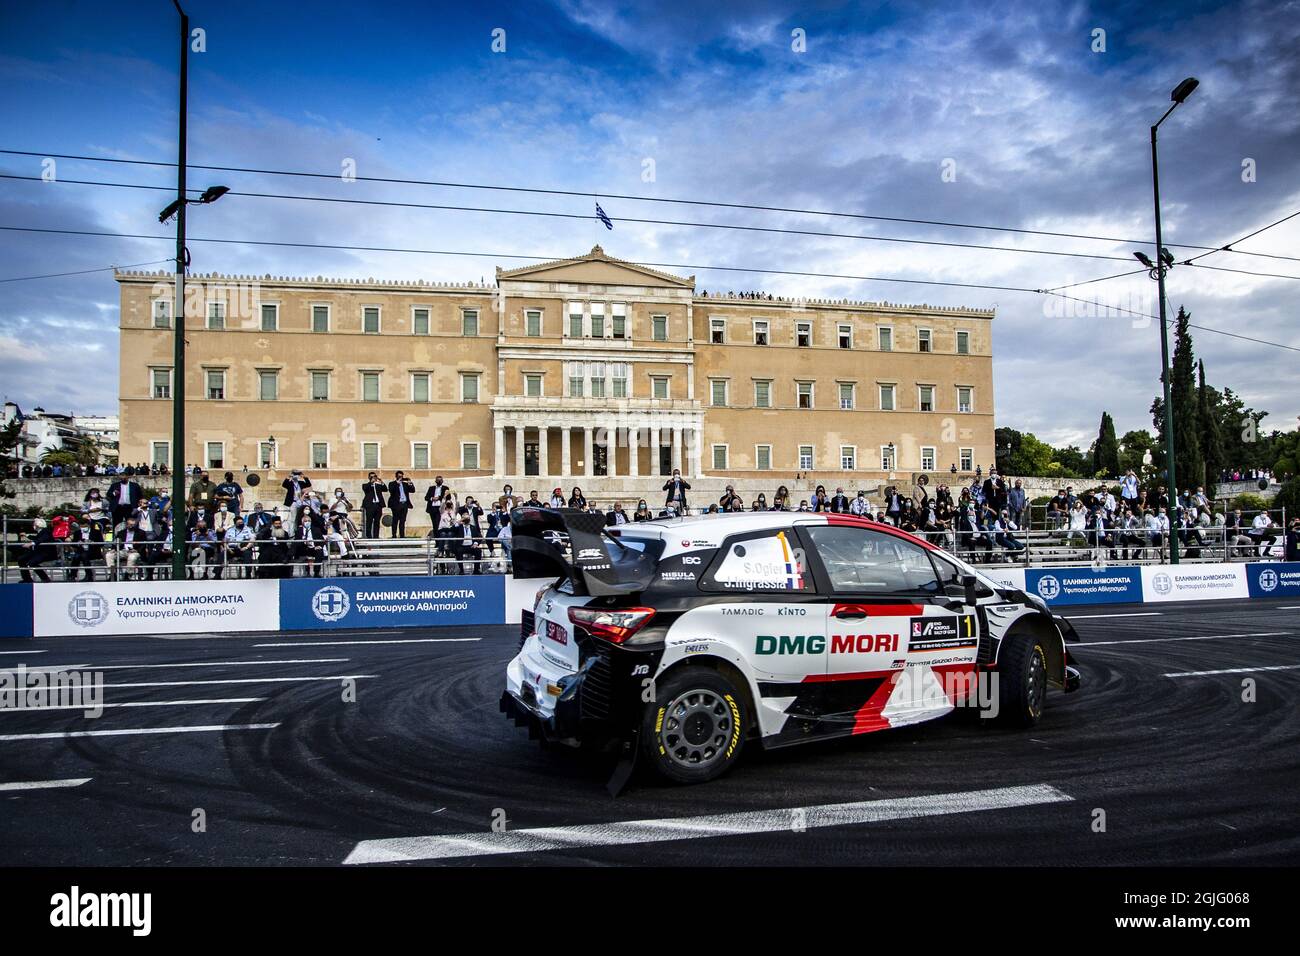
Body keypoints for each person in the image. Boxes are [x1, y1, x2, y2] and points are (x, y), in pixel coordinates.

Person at [387, 470, 415, 537]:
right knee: (395, 520)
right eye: (399, 476)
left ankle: (402, 535)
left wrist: (410, 483)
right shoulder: (392, 484)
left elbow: (413, 490)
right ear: (396, 477)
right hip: (396, 504)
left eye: (401, 476)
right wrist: (397, 483)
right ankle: (394, 535)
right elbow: (391, 490)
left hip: (404, 504)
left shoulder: (405, 484)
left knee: (402, 521)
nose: (400, 478)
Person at [360, 471, 387, 538]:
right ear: (369, 477)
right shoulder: (366, 485)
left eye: (374, 476)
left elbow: (385, 489)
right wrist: (371, 483)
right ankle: (368, 536)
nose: (373, 478)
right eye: (371, 477)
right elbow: (365, 489)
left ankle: (376, 536)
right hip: (370, 505)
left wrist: (381, 482)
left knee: (377, 521)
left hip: (378, 505)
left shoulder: (378, 485)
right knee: (369, 521)